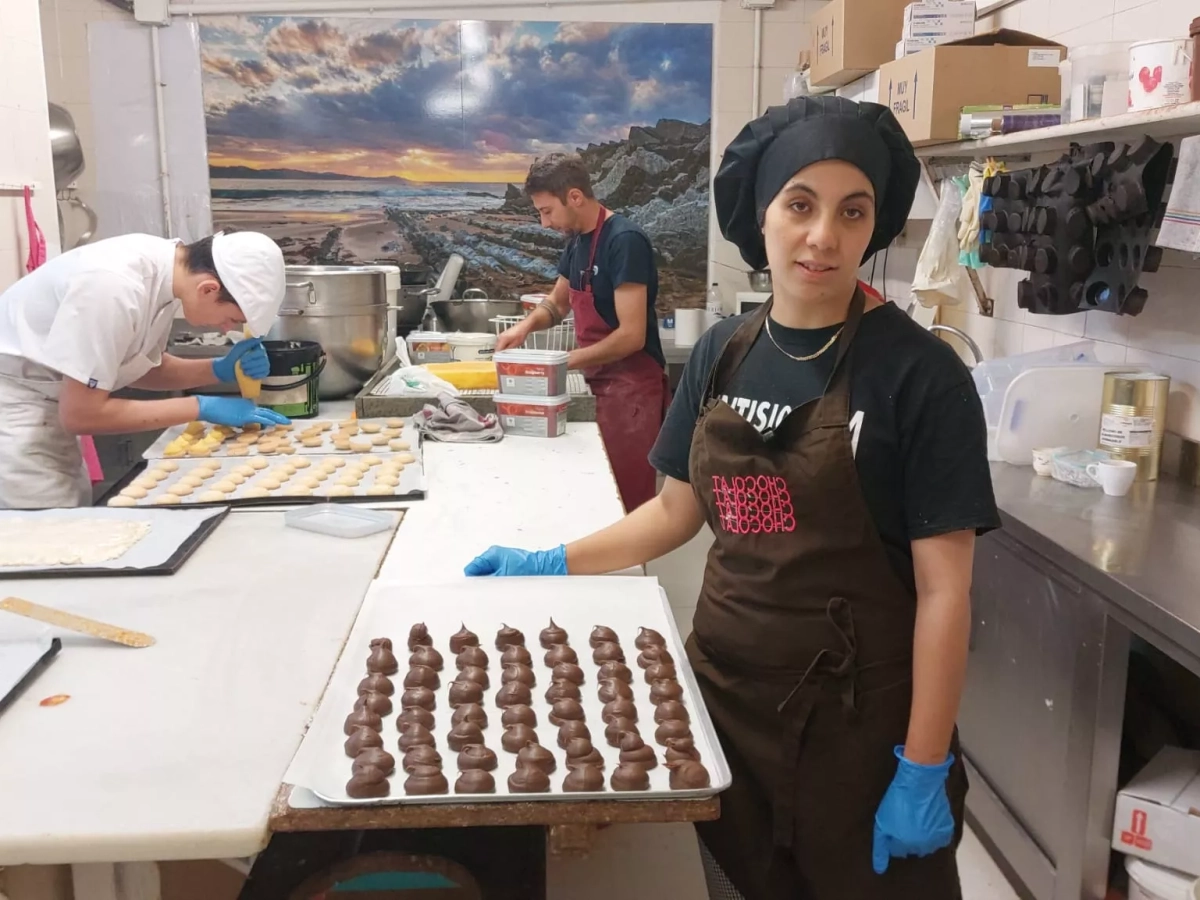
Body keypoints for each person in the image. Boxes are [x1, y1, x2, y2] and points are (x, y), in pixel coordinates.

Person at [466, 96, 1001, 899]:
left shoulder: (922, 377)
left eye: (852, 211)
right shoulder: (724, 352)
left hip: (860, 730)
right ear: (762, 214)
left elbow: (945, 592)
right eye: (801, 205)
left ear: (874, 225)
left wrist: (923, 764)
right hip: (725, 706)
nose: (824, 236)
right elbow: (674, 513)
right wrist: (551, 561)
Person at [0, 230, 291, 509]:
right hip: (16, 408)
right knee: (46, 527)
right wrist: (200, 406)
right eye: (231, 318)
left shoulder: (165, 276)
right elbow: (81, 414)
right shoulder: (112, 287)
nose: (226, 328)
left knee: (69, 513)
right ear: (208, 289)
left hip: (48, 406)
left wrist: (218, 370)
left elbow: (134, 366)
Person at [496, 153, 668, 512]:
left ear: (574, 197)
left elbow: (631, 335)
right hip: (595, 383)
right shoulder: (575, 240)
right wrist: (524, 327)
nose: (544, 223)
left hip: (632, 392)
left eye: (547, 211)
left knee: (626, 503)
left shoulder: (625, 241)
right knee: (592, 494)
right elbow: (557, 304)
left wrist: (560, 362)